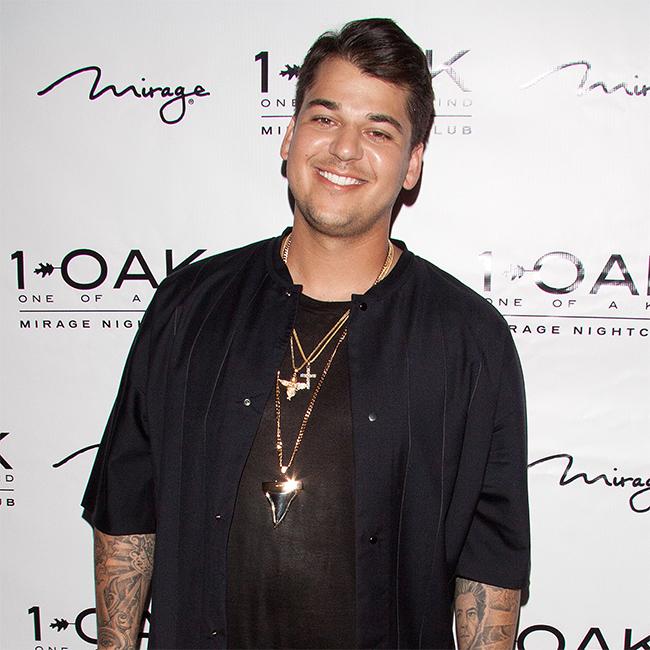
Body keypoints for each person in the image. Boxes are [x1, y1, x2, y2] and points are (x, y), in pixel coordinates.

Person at [82, 17, 530, 650]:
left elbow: (490, 566)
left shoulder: (468, 339)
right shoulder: (189, 307)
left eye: (379, 131)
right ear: (289, 137)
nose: (345, 149)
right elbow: (127, 510)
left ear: (412, 165)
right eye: (325, 118)